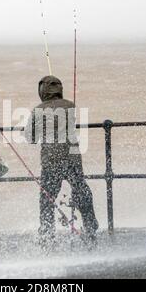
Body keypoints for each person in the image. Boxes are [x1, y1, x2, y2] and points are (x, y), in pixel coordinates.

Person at [24, 75, 99, 245]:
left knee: (47, 198)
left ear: (42, 91)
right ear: (59, 89)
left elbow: (30, 137)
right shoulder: (70, 106)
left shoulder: (38, 110)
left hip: (51, 160)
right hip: (72, 157)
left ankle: (47, 234)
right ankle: (90, 226)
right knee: (80, 189)